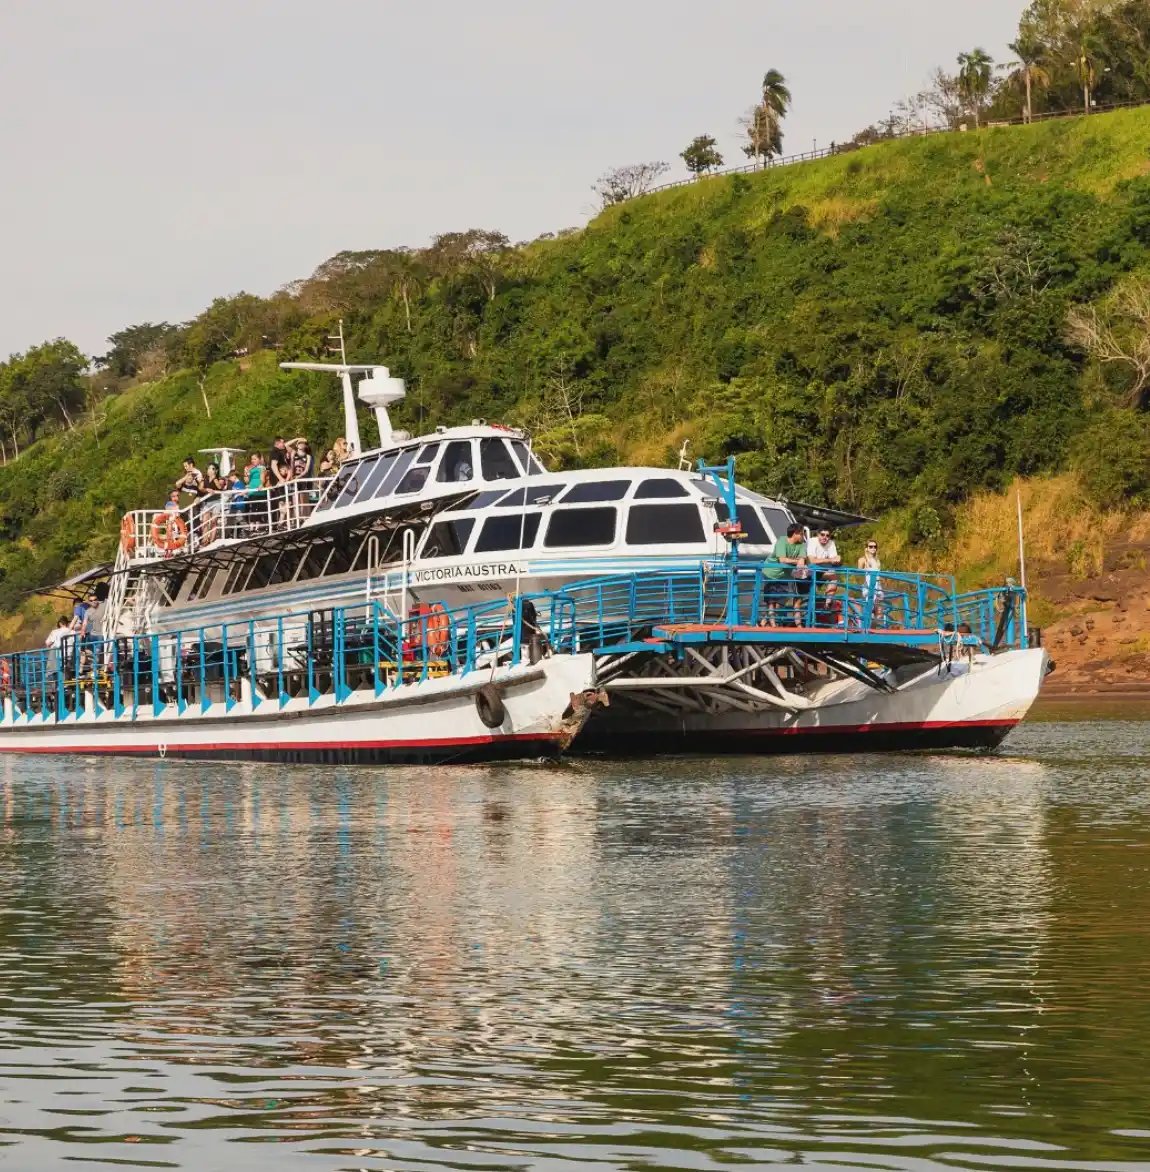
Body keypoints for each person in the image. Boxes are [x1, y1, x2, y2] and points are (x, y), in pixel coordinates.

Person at [762, 523, 807, 627]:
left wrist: (800, 561)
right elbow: (782, 560)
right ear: (795, 533)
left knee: (781, 599)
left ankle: (764, 620)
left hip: (785, 575)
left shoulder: (800, 545)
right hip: (771, 573)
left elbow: (802, 560)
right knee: (772, 599)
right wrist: (797, 561)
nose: (803, 536)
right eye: (801, 534)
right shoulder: (782, 541)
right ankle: (772, 623)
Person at [857, 539, 884, 627]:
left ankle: (872, 628)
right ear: (866, 548)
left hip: (878, 586)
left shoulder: (877, 560)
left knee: (879, 611)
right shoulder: (862, 559)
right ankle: (864, 628)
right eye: (870, 546)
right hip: (868, 586)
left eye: (875, 547)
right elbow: (859, 573)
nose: (873, 548)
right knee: (868, 608)